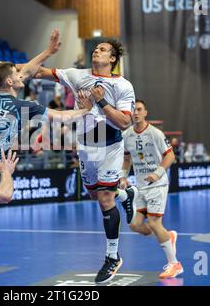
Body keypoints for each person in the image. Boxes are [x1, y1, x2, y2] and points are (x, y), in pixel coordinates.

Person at [0, 29, 93, 275]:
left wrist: (49, 52)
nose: (21, 73)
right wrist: (86, 110)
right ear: (10, 81)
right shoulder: (23, 106)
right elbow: (60, 117)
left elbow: (26, 71)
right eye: (16, 73)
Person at [28, 39, 136, 283]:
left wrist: (101, 101)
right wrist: (10, 67)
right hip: (86, 145)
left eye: (104, 49)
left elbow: (124, 122)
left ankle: (112, 257)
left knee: (104, 200)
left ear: (112, 59)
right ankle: (126, 195)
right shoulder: (76, 75)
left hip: (110, 146)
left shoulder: (123, 86)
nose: (97, 50)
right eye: (96, 48)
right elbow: (36, 71)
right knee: (95, 195)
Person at [120, 100, 183, 279]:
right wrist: (123, 176)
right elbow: (126, 159)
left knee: (155, 223)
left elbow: (170, 156)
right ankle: (167, 236)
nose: (136, 113)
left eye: (139, 110)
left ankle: (174, 264)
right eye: (133, 110)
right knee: (135, 225)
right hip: (140, 185)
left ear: (146, 112)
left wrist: (157, 173)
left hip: (158, 184)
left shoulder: (155, 133)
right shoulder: (126, 135)